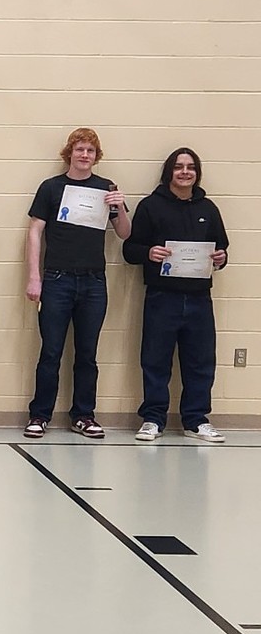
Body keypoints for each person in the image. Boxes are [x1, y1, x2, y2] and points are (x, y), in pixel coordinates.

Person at [25, 127, 130, 439]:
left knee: (87, 353)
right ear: (69, 153)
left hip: (94, 281)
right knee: (51, 351)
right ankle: (39, 414)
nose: (85, 155)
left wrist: (120, 206)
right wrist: (35, 276)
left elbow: (125, 233)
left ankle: (83, 415)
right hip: (57, 279)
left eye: (91, 151)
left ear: (96, 157)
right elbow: (35, 232)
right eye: (80, 149)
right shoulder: (51, 188)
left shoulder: (106, 189)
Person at [122, 148, 230, 443]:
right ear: (169, 171)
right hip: (162, 296)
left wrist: (221, 258)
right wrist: (149, 252)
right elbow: (129, 250)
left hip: (198, 299)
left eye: (191, 167)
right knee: (155, 360)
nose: (185, 172)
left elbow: (222, 251)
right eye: (179, 167)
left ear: (197, 173)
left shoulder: (208, 209)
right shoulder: (150, 206)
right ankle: (153, 419)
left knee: (200, 361)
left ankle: (196, 420)